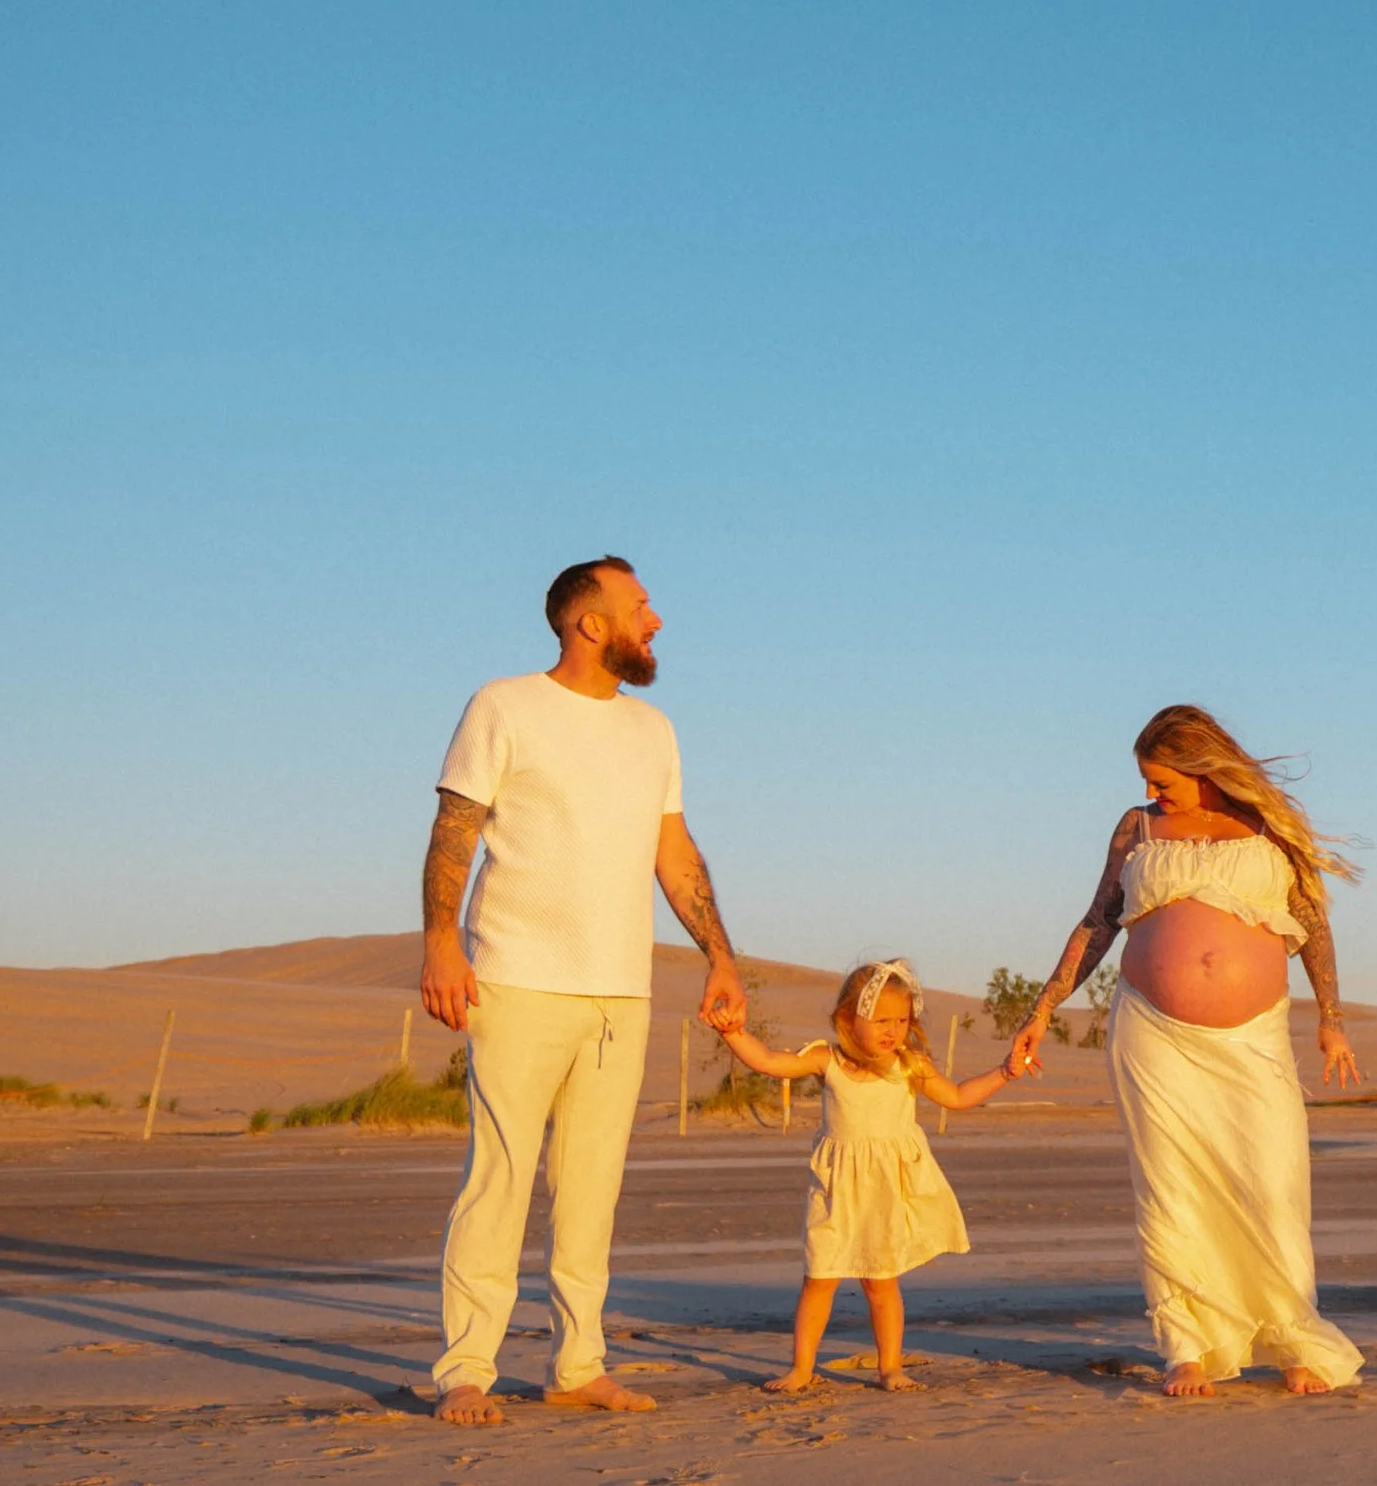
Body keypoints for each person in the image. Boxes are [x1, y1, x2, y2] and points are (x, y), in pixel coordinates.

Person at [420, 556, 748, 1427]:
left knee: (591, 1187)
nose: (657, 620)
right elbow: (454, 827)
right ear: (589, 623)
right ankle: (467, 1368)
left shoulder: (655, 730)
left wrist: (720, 953)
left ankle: (577, 1363)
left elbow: (672, 852)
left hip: (619, 991)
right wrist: (438, 944)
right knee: (499, 1177)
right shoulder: (504, 706)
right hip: (518, 977)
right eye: (640, 605)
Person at [1009, 704, 1366, 1397]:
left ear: (1203, 768)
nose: (1152, 793)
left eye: (1162, 780)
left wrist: (1331, 1017)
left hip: (1252, 1036)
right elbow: (1098, 921)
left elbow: (1314, 924)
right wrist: (1042, 1007)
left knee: (1273, 1180)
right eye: (1147, 781)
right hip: (1153, 1034)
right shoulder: (1137, 828)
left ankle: (1293, 1335)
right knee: (1170, 1188)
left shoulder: (1270, 827)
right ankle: (1187, 1346)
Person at [719, 959, 1016, 1392]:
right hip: (835, 1191)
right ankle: (802, 1368)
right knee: (818, 1278)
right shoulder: (829, 1060)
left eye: (900, 1019)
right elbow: (768, 1061)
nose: (892, 1029)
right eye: (880, 1020)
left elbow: (956, 1095)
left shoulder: (907, 1064)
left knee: (881, 1282)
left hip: (884, 1191)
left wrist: (1005, 1072)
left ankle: (890, 1367)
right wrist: (732, 1033)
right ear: (848, 1018)